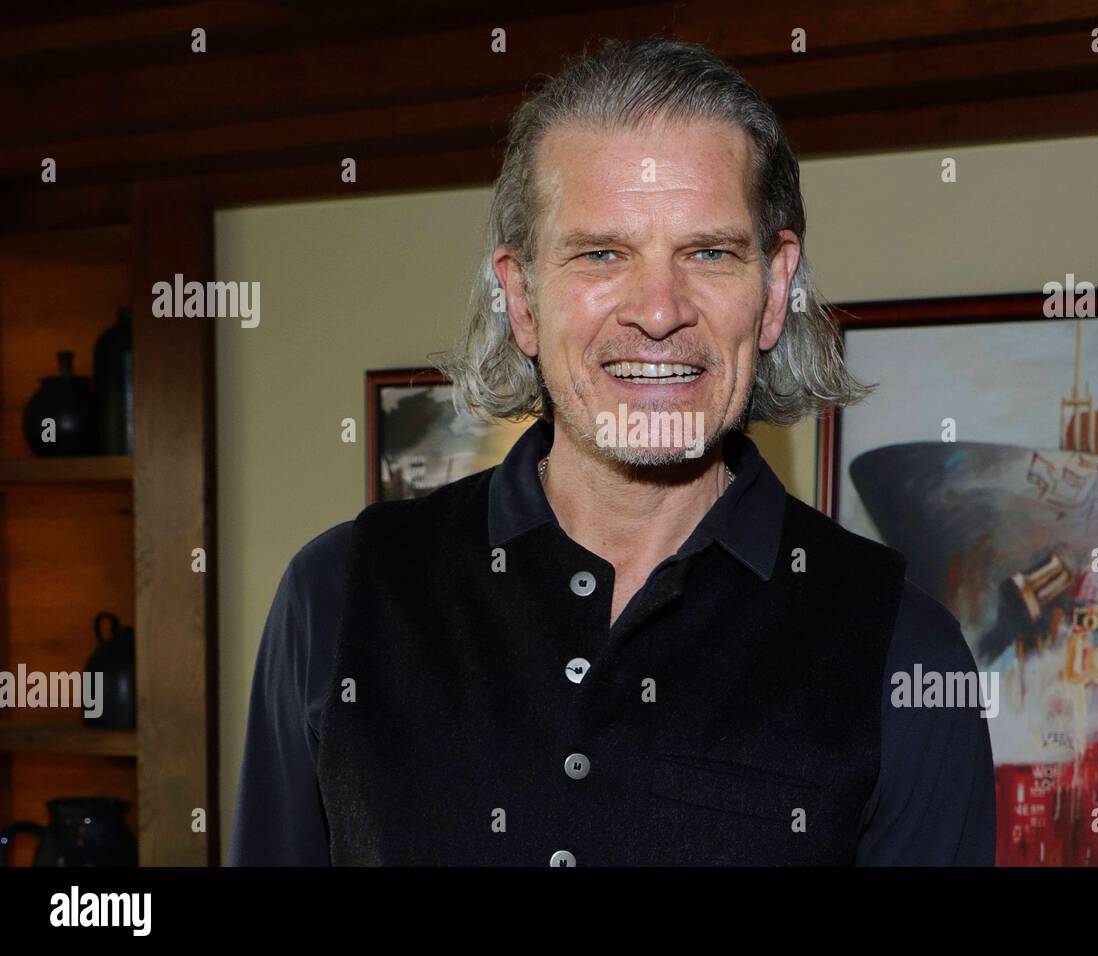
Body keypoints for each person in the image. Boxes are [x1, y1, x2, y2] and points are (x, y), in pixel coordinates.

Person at [229, 35, 994, 866]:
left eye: (709, 253)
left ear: (774, 293)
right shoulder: (337, 598)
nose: (659, 310)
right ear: (521, 298)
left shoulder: (903, 652)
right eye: (602, 254)